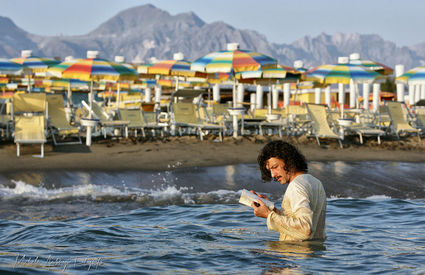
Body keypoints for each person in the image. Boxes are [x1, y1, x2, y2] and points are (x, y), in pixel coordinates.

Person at [251, 140, 326, 241]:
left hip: (294, 253)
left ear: (289, 160)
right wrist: (272, 210)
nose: (272, 174)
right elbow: (300, 221)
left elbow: (305, 229)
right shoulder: (315, 182)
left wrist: (268, 215)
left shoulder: (296, 186)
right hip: (316, 253)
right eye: (270, 170)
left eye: (275, 167)